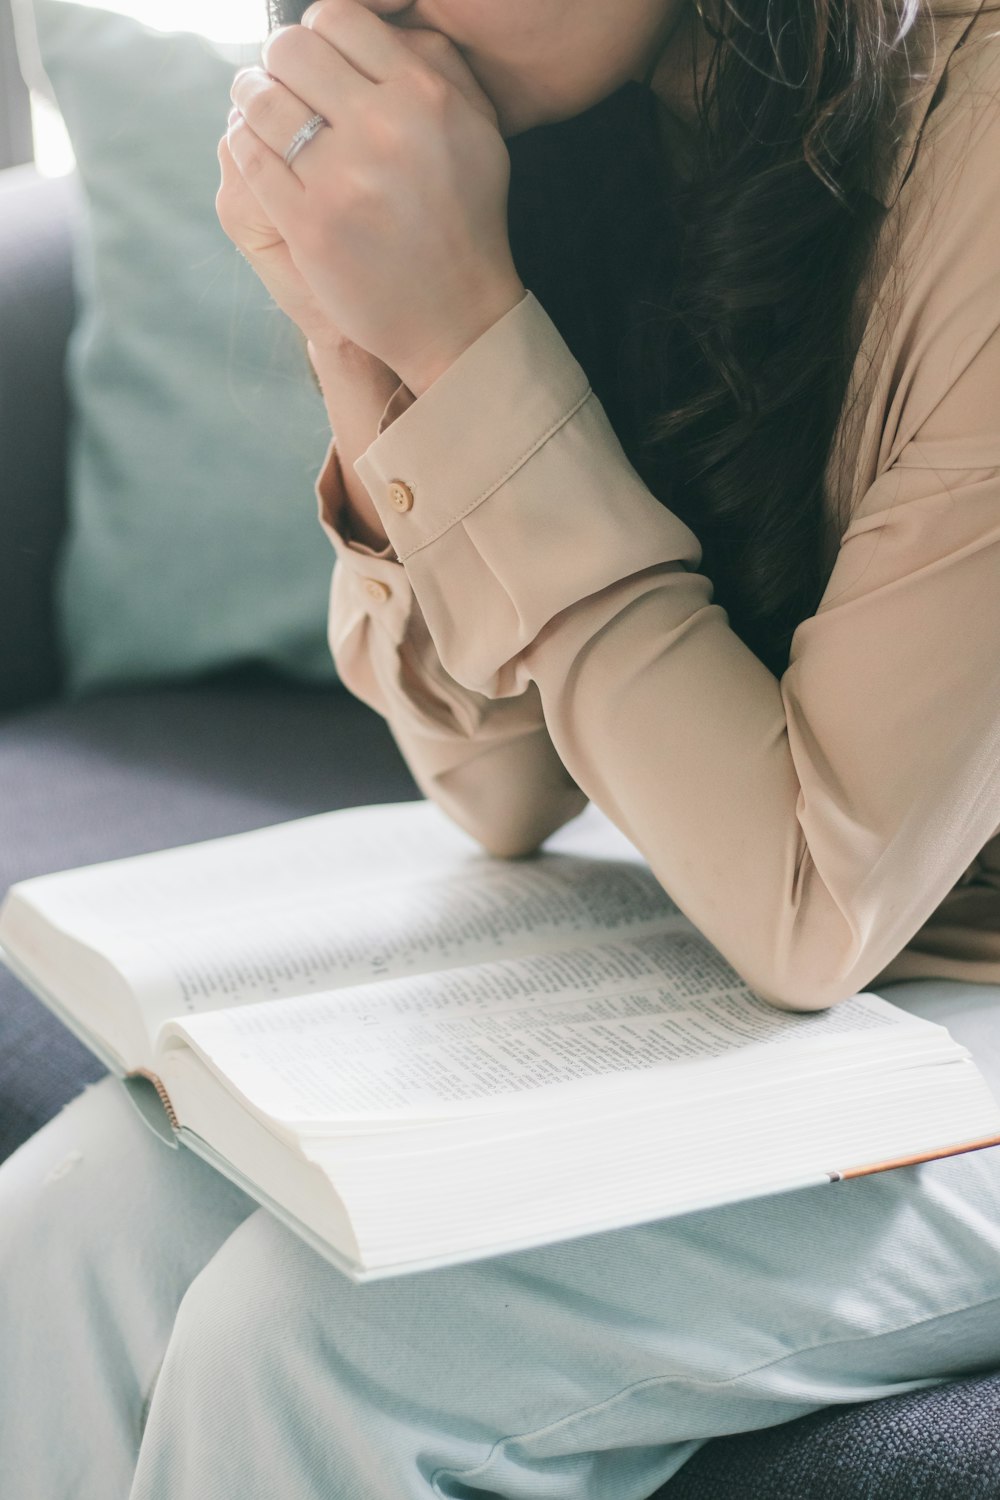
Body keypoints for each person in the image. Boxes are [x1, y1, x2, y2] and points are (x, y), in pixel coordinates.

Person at [1, 0, 999, 1495]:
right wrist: (363, 342)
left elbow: (811, 902)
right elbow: (502, 782)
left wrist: (465, 334)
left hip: (940, 1003)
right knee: (72, 1226)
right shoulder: (594, 123)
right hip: (813, 971)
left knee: (313, 1346)